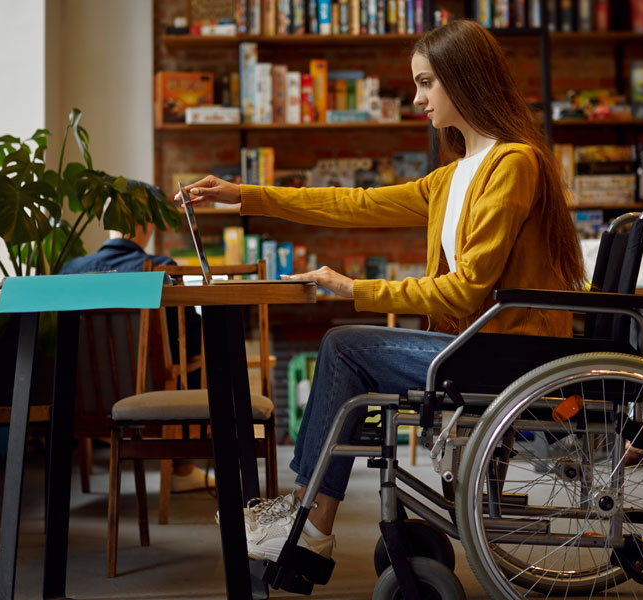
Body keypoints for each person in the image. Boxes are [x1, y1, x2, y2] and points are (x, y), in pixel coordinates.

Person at [177, 19, 585, 562]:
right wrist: (243, 195)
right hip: (480, 349)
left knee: (344, 346)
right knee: (343, 347)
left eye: (425, 83)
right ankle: (310, 516)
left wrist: (354, 287)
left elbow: (465, 292)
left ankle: (311, 519)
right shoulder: (454, 175)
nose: (416, 98)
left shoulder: (513, 163)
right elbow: (354, 203)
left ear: (464, 80)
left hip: (508, 357)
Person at [60, 223, 213, 492]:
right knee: (193, 359)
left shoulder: (71, 269)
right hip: (147, 393)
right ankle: (182, 468)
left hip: (84, 399)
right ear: (146, 226)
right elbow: (188, 331)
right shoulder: (160, 267)